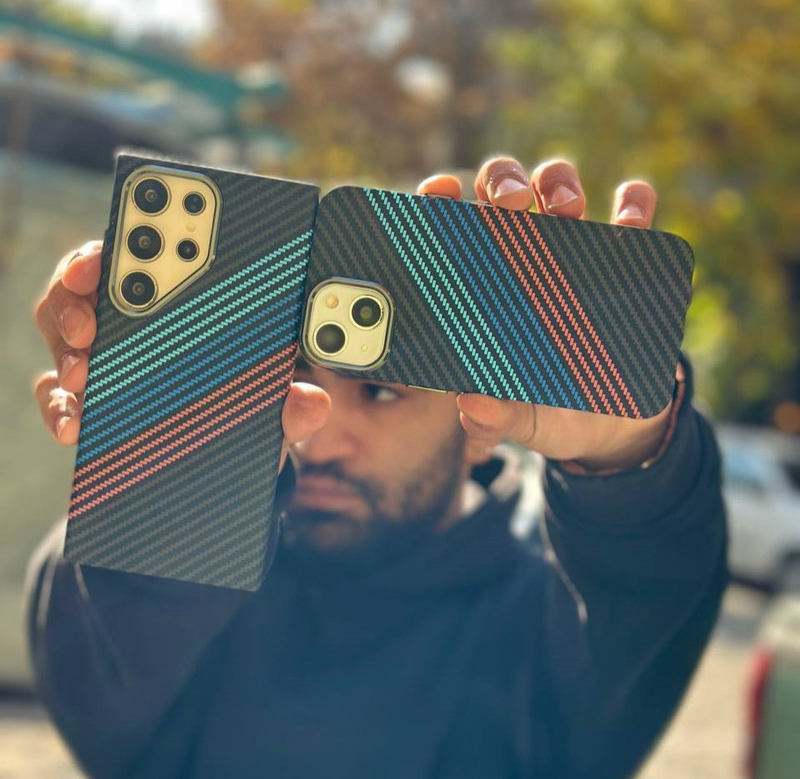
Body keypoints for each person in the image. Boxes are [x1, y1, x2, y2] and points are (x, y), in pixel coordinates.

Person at [27, 157, 727, 779]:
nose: (321, 435)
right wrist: (159, 472)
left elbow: (643, 595)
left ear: (480, 430)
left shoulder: (542, 629)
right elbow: (108, 656)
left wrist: (631, 463)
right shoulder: (196, 583)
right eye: (293, 380)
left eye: (382, 391)